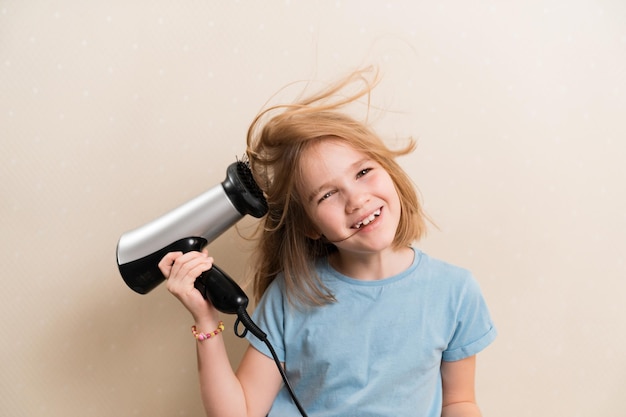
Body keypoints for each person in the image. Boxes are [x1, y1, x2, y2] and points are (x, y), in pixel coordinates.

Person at [158, 67, 497, 417]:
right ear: (310, 226)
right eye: (328, 195)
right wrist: (207, 322)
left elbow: (459, 401)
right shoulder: (292, 296)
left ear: (390, 173)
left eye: (363, 172)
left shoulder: (455, 292)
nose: (357, 200)